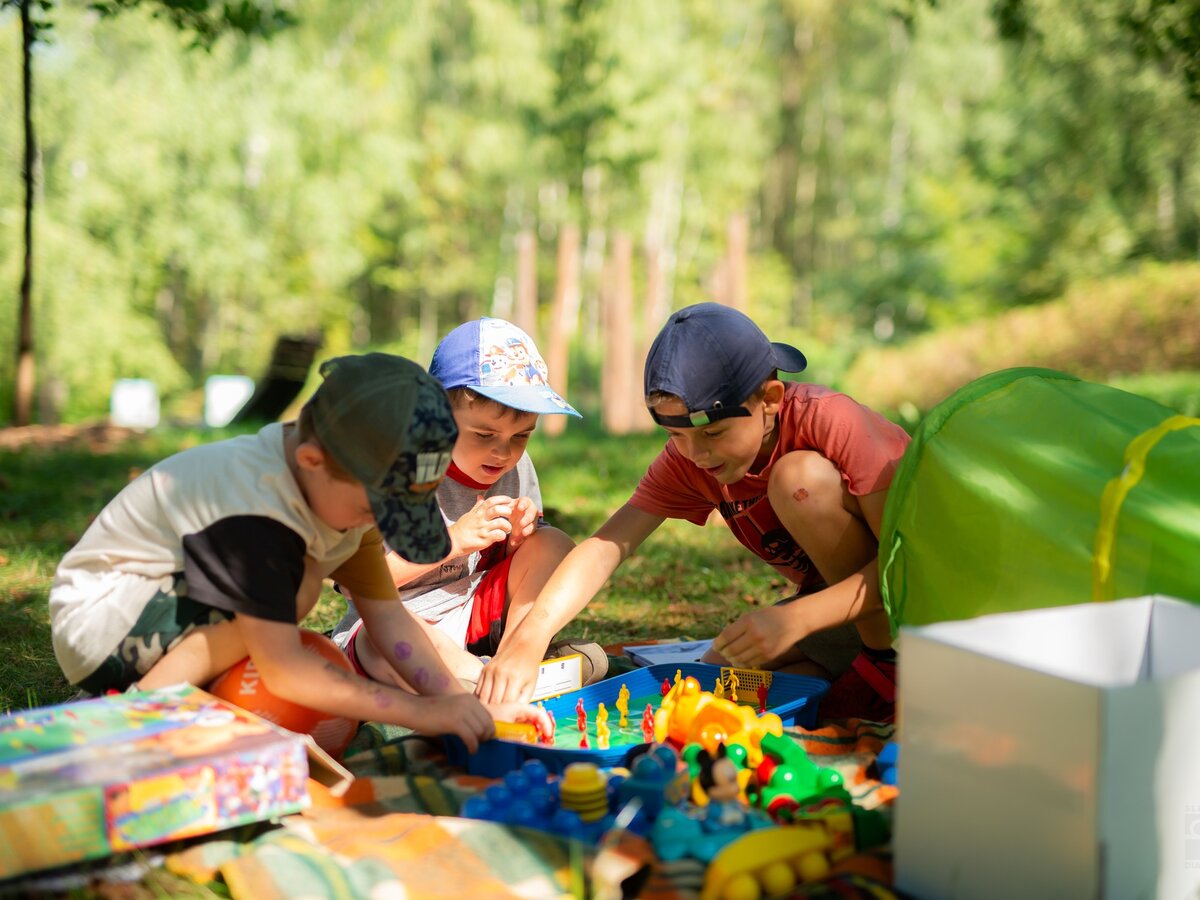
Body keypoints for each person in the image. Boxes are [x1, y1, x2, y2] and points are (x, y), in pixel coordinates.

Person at [49, 353, 548, 751]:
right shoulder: (260, 510)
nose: (378, 523)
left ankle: (185, 712)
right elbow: (283, 668)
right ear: (312, 460)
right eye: (375, 508)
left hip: (172, 616)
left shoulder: (346, 488)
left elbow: (387, 615)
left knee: (315, 668)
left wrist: (461, 703)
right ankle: (136, 724)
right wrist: (420, 713)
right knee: (294, 599)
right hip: (106, 624)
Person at [476, 302, 911, 722]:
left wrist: (799, 618)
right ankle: (854, 679)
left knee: (798, 480)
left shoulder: (833, 423)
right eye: (675, 436)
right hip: (841, 612)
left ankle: (889, 669)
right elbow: (606, 546)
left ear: (771, 399)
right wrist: (529, 638)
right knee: (717, 681)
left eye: (715, 432)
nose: (696, 454)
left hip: (924, 608)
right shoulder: (690, 457)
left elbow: (911, 568)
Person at [331, 318, 608, 692]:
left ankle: (514, 660)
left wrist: (519, 539)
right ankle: (484, 682)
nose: (503, 451)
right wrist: (453, 542)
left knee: (553, 543)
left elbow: (517, 567)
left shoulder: (514, 465)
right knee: (386, 638)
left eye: (522, 436)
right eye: (484, 435)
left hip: (475, 615)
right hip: (395, 624)